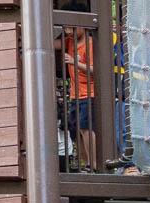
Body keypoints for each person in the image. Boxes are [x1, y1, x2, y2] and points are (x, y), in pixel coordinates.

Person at [58, 0, 97, 172]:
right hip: (75, 94)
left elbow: (97, 70)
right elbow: (52, 44)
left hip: (89, 93)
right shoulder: (69, 42)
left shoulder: (90, 43)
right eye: (65, 27)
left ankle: (92, 164)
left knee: (86, 128)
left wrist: (75, 62)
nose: (68, 31)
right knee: (75, 130)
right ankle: (83, 164)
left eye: (72, 27)